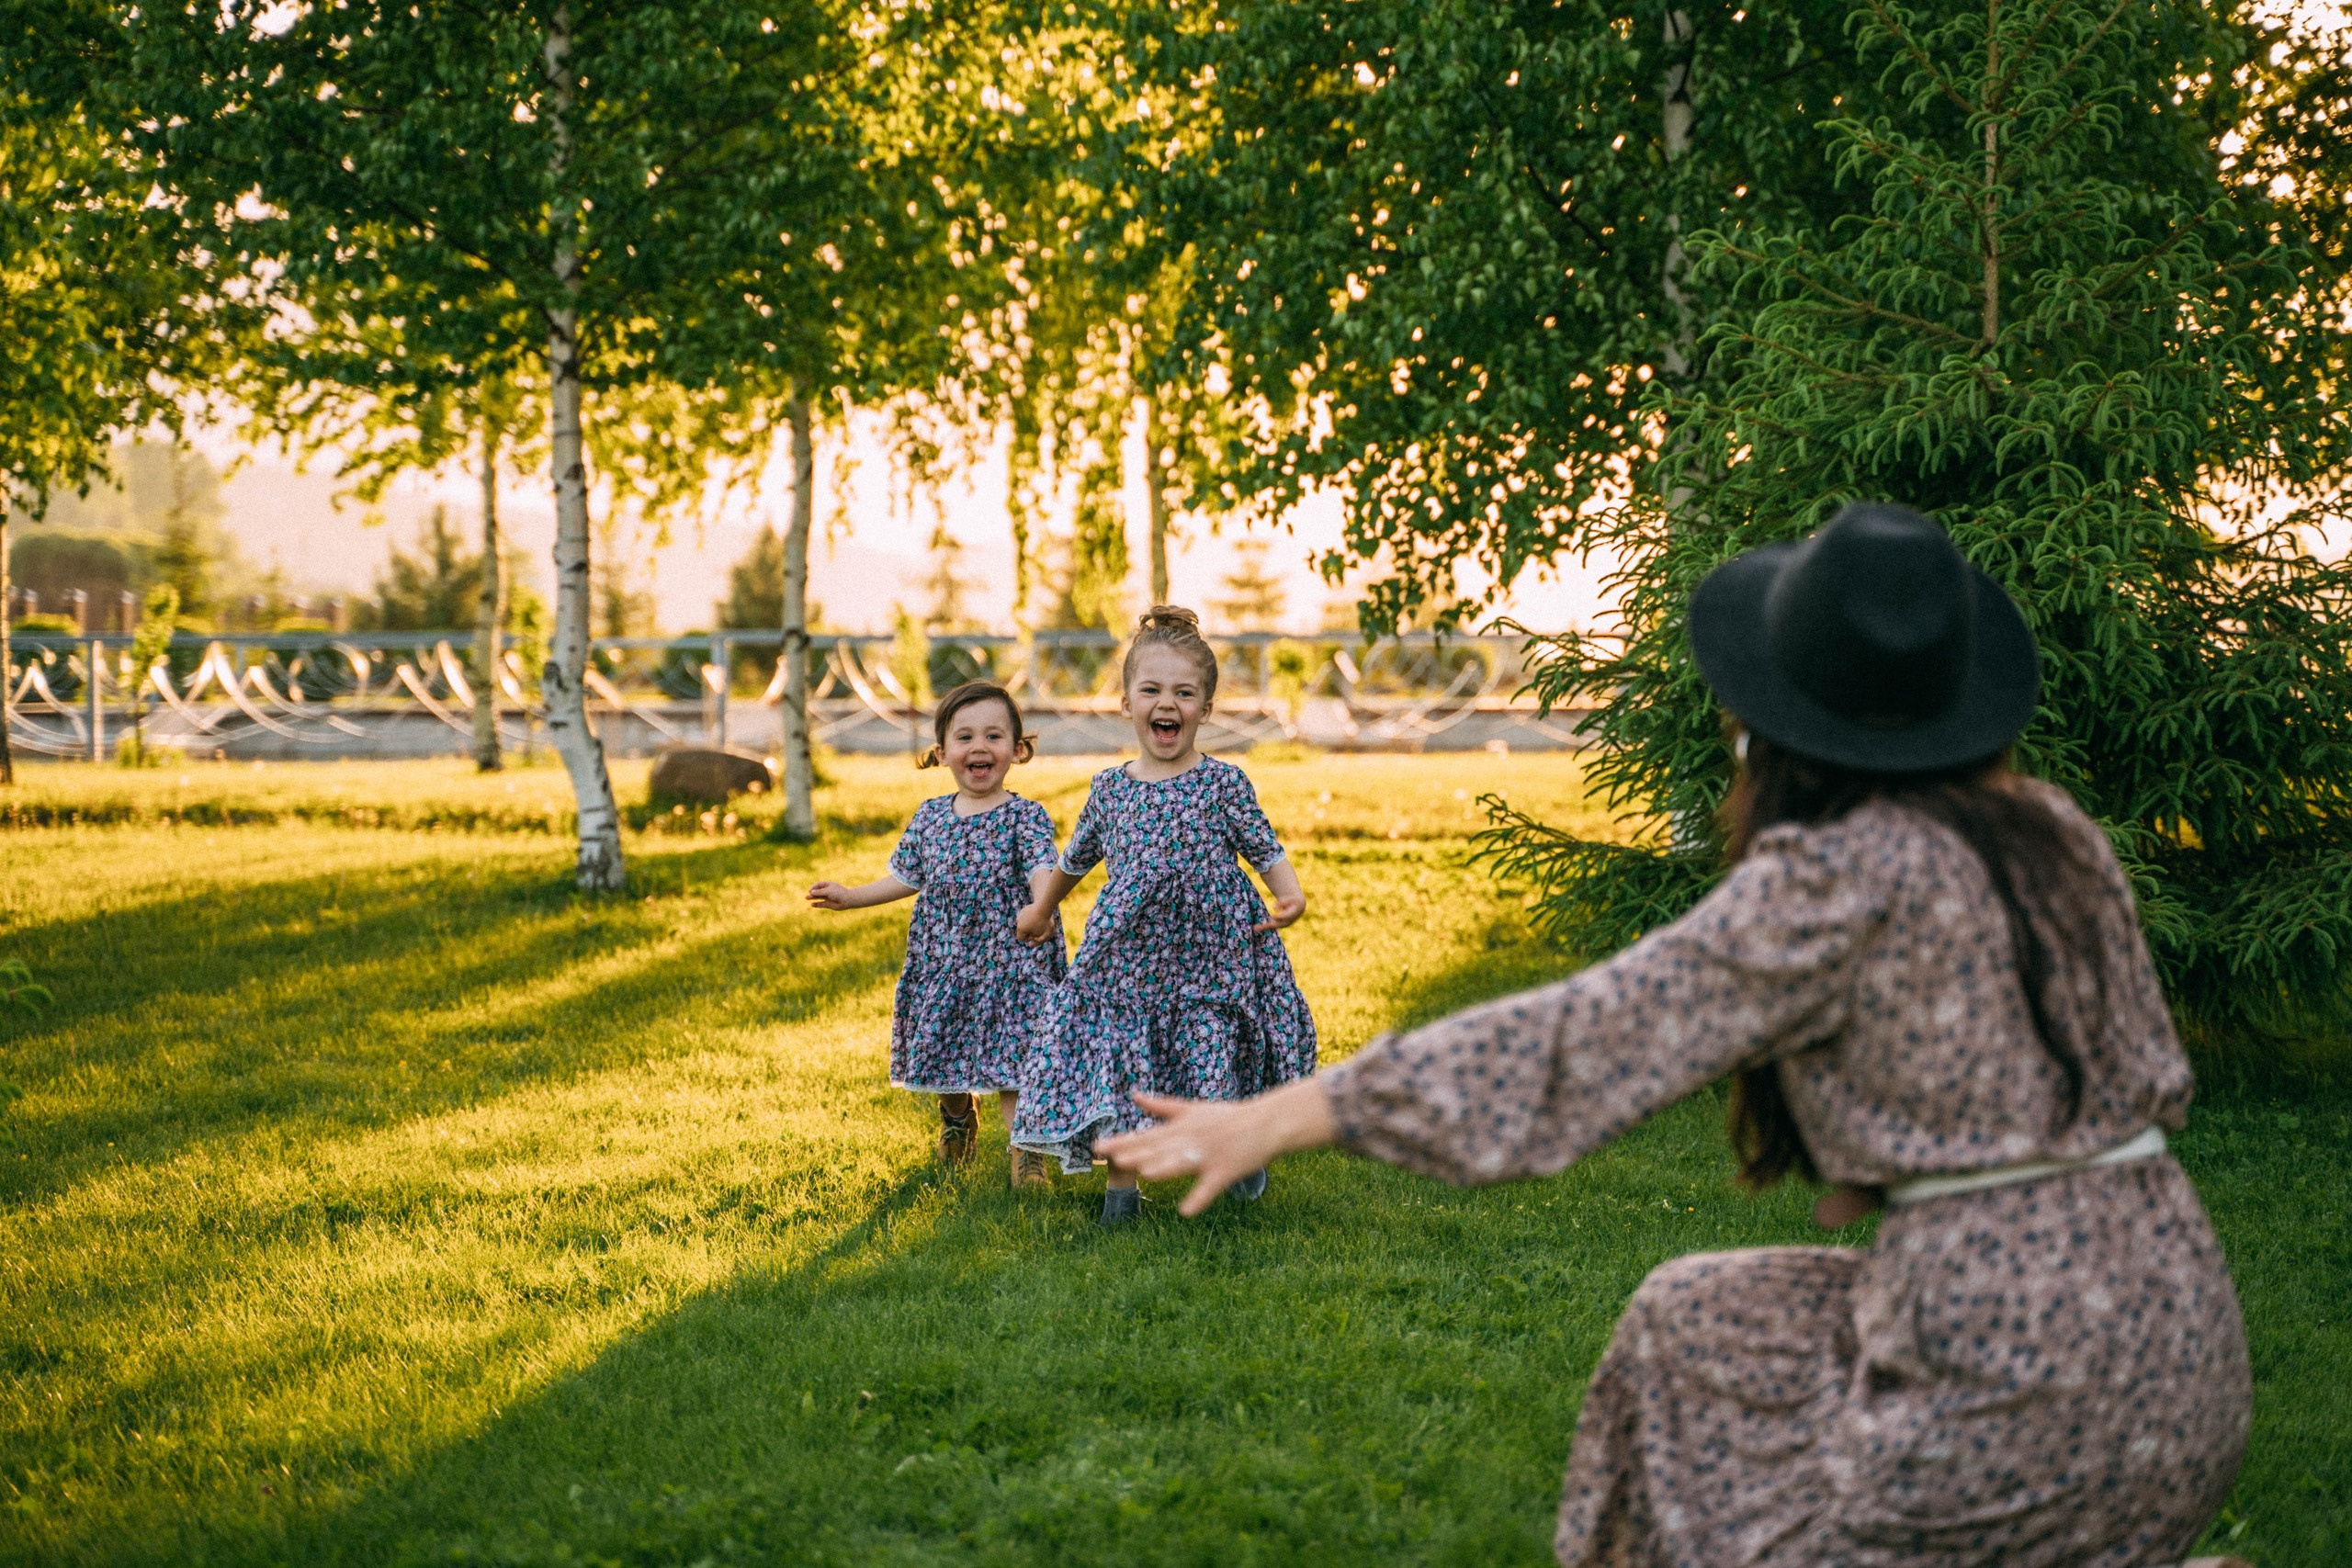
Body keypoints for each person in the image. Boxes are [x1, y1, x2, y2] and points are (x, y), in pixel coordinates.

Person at [1103, 504, 2253, 1568]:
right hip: (2183, 1332)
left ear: (1774, 728)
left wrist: (1279, 1114)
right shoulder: (2047, 827)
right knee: (1691, 1317)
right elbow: (2114, 1075)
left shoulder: (1838, 874)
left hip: (2028, 1369)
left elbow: (1583, 1041)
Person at [1012, 604, 1317, 1226]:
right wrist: (1040, 910)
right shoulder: (1111, 788)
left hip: (1212, 957)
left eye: (1184, 692)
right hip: (1128, 962)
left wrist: (1290, 893)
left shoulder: (1224, 784)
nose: (1166, 702)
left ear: (1204, 708)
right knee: (1128, 1068)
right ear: (1127, 702)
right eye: (1151, 689)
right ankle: (1121, 1195)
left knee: (1212, 1054)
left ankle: (1234, 1146)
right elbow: (1075, 858)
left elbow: (1263, 845)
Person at [808, 680, 1066, 1190]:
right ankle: (957, 1118)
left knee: (1017, 1062)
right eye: (964, 736)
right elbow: (904, 878)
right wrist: (849, 895)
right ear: (943, 751)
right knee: (947, 1058)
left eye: (994, 736)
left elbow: (1043, 868)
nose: (979, 747)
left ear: (1017, 749)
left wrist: (1043, 905)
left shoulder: (1025, 816)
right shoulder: (930, 818)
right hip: (946, 963)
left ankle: (1028, 1150)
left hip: (1013, 966)